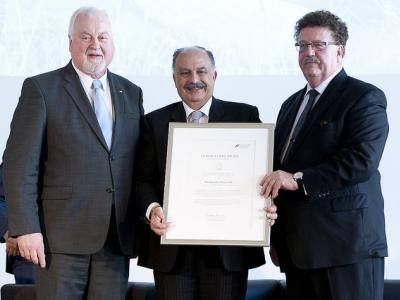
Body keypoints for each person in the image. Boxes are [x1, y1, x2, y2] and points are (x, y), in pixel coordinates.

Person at [3, 6, 144, 299]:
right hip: (58, 242)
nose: (95, 45)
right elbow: (19, 166)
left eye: (103, 37)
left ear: (112, 43)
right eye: (86, 36)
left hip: (114, 241)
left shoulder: (131, 93)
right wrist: (25, 228)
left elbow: (137, 164)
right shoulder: (41, 89)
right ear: (70, 42)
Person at [260, 10, 389, 300]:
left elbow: (362, 160)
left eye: (319, 45)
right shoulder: (290, 105)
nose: (309, 52)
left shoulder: (363, 97)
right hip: (298, 251)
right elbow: (279, 169)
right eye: (302, 45)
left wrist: (297, 179)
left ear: (340, 51)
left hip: (346, 249)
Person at [135, 46, 277, 300]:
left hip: (227, 252)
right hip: (172, 251)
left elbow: (261, 174)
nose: (194, 80)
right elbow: (143, 179)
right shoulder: (153, 122)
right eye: (184, 73)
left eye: (202, 71)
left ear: (215, 76)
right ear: (174, 79)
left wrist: (266, 204)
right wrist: (152, 208)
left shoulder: (244, 116)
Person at [0, 163, 35, 284]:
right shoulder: (24, 145)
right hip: (27, 254)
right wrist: (10, 232)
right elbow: (1, 198)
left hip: (84, 250)